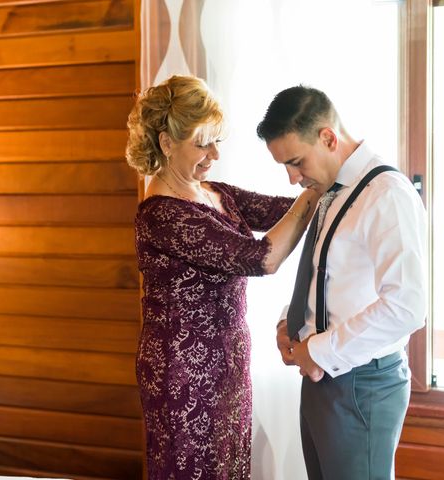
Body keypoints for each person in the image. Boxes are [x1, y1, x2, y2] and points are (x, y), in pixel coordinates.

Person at [126, 75, 321, 479]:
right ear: (166, 143)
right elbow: (261, 257)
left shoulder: (214, 191)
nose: (214, 153)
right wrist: (313, 192)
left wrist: (328, 189)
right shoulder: (162, 214)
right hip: (181, 374)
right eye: (202, 142)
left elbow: (284, 212)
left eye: (218, 141)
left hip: (229, 362)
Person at [257, 85, 428, 480]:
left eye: (296, 162)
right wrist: (290, 321)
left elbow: (406, 305)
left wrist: (320, 350)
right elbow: (327, 277)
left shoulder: (385, 194)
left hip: (361, 384)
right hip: (322, 377)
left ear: (328, 137)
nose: (291, 178)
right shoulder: (330, 191)